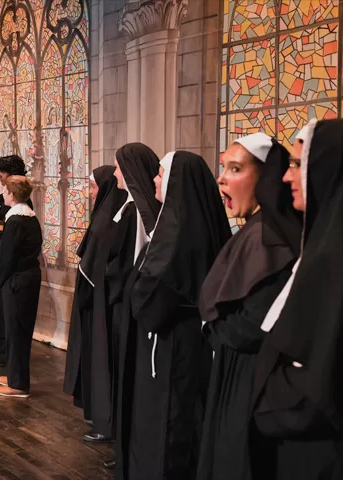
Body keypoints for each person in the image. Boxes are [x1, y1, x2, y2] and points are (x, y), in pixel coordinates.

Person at [196, 133, 301, 480]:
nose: (222, 179)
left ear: (266, 177)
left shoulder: (269, 236)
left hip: (251, 379)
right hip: (236, 370)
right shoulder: (255, 228)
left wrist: (214, 326)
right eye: (223, 168)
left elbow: (256, 323)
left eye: (235, 169)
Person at [121, 151, 231, 480]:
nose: (154, 179)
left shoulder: (178, 232)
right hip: (185, 341)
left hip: (172, 344)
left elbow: (152, 293)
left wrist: (136, 293)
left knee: (169, 424)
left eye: (160, 174)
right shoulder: (188, 224)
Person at [252, 119, 343, 479]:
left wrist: (268, 399)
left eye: (296, 164)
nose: (286, 177)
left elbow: (322, 379)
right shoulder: (320, 245)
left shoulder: (333, 256)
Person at [108, 143, 161, 473]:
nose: (115, 173)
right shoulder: (130, 206)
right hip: (126, 299)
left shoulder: (138, 211)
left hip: (131, 304)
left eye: (118, 167)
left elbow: (130, 261)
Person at [63, 166, 126, 441]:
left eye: (92, 186)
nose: (89, 193)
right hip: (94, 303)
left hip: (102, 306)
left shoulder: (111, 219)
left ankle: (104, 421)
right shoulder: (105, 214)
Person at [0, 175, 42, 398]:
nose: (3, 193)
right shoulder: (28, 216)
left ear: (11, 195)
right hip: (27, 278)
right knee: (18, 330)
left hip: (18, 281)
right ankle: (15, 375)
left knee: (16, 331)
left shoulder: (16, 220)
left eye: (5, 190)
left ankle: (18, 384)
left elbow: (7, 256)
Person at [0, 155, 32, 367]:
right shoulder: (1, 199)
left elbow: (10, 236)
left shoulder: (21, 207)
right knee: (0, 305)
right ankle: (2, 345)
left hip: (9, 264)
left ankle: (9, 352)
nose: (0, 176)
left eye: (2, 172)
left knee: (9, 309)